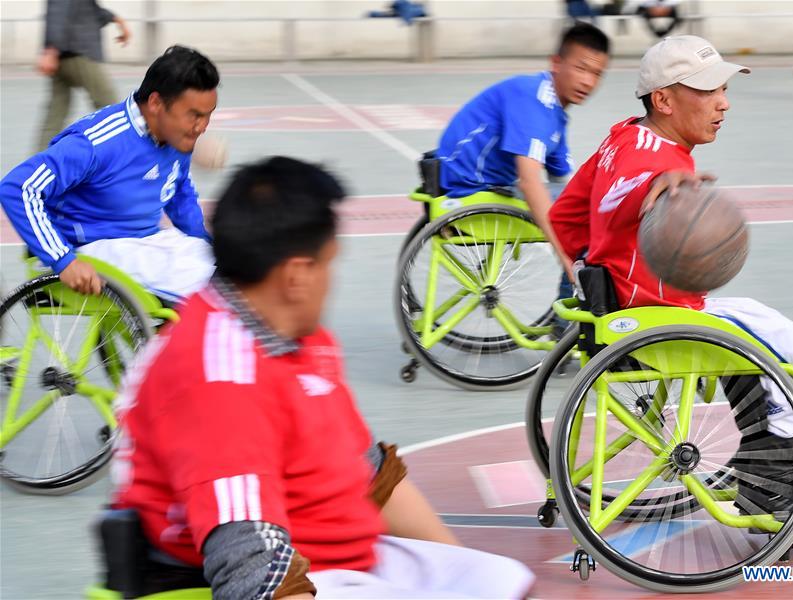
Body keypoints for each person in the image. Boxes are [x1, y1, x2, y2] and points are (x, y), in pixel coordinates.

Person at [107, 156, 535, 599]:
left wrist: (457, 562)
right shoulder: (220, 380)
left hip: (347, 557)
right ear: (296, 275)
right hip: (298, 573)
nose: (331, 280)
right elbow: (253, 571)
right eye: (328, 264)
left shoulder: (299, 337)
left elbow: (368, 472)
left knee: (502, 582)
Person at [549, 35, 793, 515]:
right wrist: (653, 187)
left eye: (723, 89)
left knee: (758, 325)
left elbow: (565, 216)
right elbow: (631, 187)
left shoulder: (622, 136)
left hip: (623, 311)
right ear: (663, 100)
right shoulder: (655, 160)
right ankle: (770, 475)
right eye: (708, 91)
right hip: (658, 318)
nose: (724, 103)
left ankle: (765, 459)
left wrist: (591, 274)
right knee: (792, 352)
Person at [0, 45, 219, 302]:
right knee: (206, 288)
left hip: (145, 241)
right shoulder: (96, 143)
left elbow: (179, 193)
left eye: (208, 116)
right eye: (194, 115)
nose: (202, 127)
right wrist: (63, 260)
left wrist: (204, 243)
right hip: (90, 247)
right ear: (156, 103)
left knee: (231, 270)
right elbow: (18, 187)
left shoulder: (175, 138)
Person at [436, 22, 610, 283]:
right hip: (470, 187)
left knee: (595, 202)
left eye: (597, 74)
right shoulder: (533, 100)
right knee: (589, 213)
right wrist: (563, 253)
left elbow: (565, 179)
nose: (588, 81)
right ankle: (570, 313)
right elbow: (529, 182)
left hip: (484, 181)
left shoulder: (555, 111)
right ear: (556, 63)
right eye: (581, 68)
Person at [37, 0, 132, 151]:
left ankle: (36, 165)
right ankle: (120, 162)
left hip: (65, 55)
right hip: (80, 53)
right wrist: (51, 49)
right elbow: (59, 8)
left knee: (54, 118)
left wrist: (116, 19)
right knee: (112, 111)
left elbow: (88, 8)